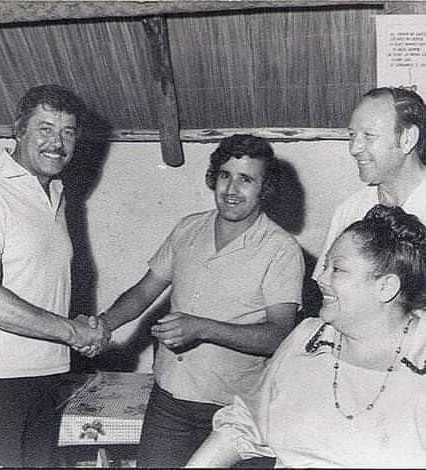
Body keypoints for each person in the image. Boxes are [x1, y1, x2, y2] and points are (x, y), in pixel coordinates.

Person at [96, 134, 305, 467]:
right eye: (225, 175)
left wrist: (202, 328)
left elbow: (278, 336)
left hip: (235, 412)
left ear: (265, 189)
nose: (231, 189)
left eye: (246, 179)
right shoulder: (188, 228)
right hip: (168, 401)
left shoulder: (281, 250)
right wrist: (102, 325)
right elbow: (144, 291)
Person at [187, 204, 426, 468]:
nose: (320, 278)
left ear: (386, 287)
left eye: (337, 269)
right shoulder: (308, 339)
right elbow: (247, 420)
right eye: (325, 266)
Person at [0, 84, 110, 467]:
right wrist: (73, 332)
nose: (57, 142)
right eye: (45, 128)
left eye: (68, 132)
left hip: (47, 373)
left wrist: (73, 329)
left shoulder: (56, 193)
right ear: (18, 130)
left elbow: (38, 287)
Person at [313, 86, 426, 279]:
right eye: (352, 135)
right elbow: (325, 284)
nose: (354, 148)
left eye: (368, 136)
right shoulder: (350, 210)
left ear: (408, 138)